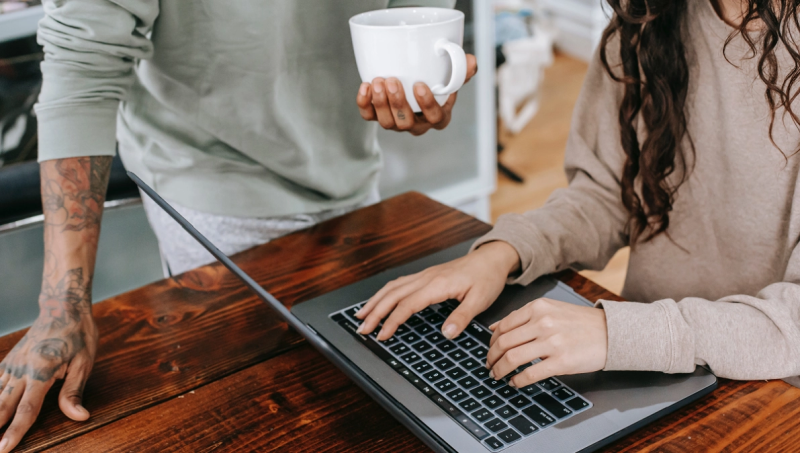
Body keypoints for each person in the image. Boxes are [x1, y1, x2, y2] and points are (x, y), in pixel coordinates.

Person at [0, 1, 477, 451]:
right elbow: (83, 68)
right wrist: (61, 301)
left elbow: (414, 30)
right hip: (207, 189)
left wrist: (423, 94)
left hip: (348, 175)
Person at [359, 0, 800, 394]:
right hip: (642, 372)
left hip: (770, 393)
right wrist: (505, 251)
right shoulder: (648, 17)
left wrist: (619, 334)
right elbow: (608, 195)